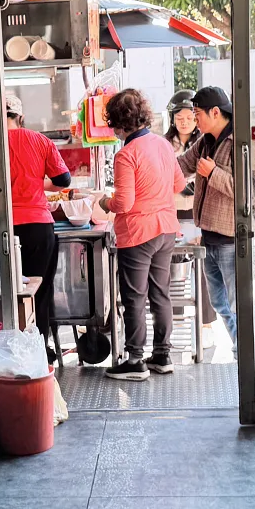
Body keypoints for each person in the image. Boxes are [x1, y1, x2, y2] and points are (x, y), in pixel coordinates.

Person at [0, 89, 72, 357]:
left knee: (3, 295)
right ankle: (38, 352)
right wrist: (38, 182)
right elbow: (64, 181)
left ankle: (6, 354)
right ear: (19, 117)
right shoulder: (40, 140)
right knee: (38, 294)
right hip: (38, 226)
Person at [104, 88, 186, 381]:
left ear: (120, 122)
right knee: (160, 293)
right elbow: (177, 184)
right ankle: (162, 355)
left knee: (135, 298)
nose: (113, 130)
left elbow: (123, 203)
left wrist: (105, 202)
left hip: (138, 233)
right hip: (165, 229)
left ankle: (135, 360)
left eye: (112, 124)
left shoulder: (126, 154)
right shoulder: (163, 145)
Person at [177, 86, 240, 351]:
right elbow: (180, 165)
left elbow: (245, 190)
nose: (193, 120)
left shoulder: (239, 142)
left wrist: (214, 173)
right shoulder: (205, 142)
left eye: (197, 113)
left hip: (230, 239)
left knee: (239, 304)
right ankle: (243, 350)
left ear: (216, 112)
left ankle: (252, 356)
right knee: (219, 303)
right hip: (209, 239)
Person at [166, 90, 200, 219]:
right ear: (172, 120)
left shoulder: (204, 143)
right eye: (179, 118)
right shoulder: (164, 144)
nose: (184, 122)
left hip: (196, 208)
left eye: (189, 118)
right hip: (172, 208)